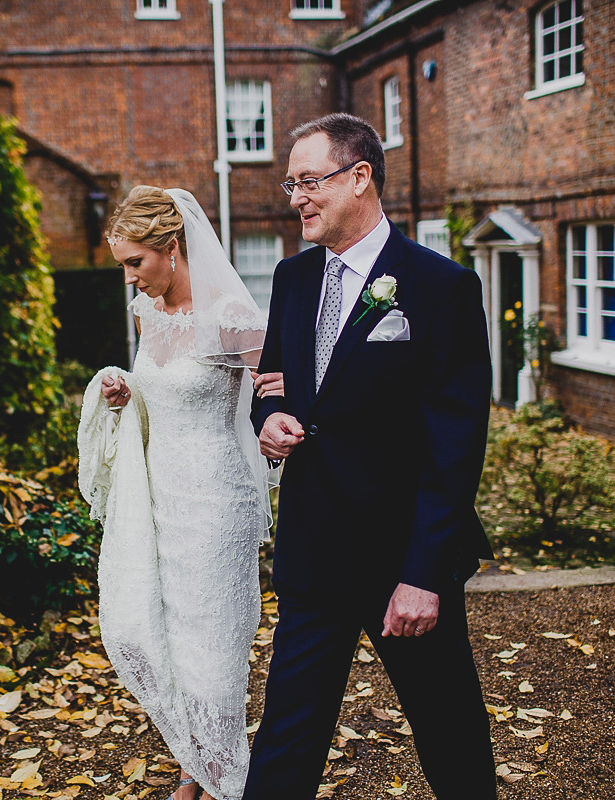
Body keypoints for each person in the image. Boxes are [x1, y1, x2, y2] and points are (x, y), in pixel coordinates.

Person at [244, 113, 497, 799]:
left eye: (309, 181)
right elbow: (272, 384)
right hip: (313, 551)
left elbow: (455, 443)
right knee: (287, 734)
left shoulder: (439, 287)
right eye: (290, 183)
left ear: (360, 177)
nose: (296, 197)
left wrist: (423, 574)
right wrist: (269, 421)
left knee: (448, 731)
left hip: (401, 559)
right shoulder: (293, 279)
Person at [77, 187, 277, 800]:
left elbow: (277, 387)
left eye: (136, 263)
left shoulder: (233, 319)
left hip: (216, 502)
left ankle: (212, 781)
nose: (132, 280)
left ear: (171, 247)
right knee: (144, 632)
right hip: (156, 497)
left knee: (210, 651)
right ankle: (200, 763)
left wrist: (276, 423)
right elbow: (153, 393)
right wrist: (118, 391)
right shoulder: (149, 315)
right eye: (124, 268)